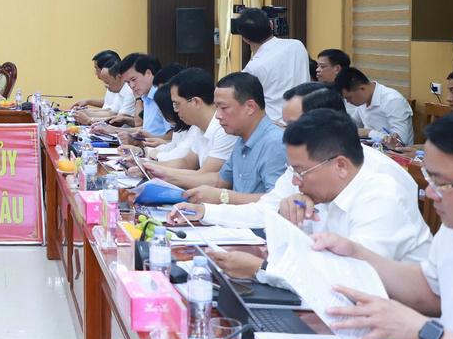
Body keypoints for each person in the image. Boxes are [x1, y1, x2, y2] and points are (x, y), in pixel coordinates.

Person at [201, 110, 431, 282]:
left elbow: (352, 279)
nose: (294, 181)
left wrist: (261, 268)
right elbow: (301, 254)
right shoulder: (323, 188)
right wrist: (289, 218)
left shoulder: (381, 197)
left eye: (301, 172)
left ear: (340, 165)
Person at [311, 111, 453, 339]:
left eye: (441, 182)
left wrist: (421, 330)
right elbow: (430, 290)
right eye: (429, 178)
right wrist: (356, 253)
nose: (431, 193)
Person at [172, 85, 418, 232]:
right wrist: (203, 212)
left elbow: (358, 273)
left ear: (326, 122)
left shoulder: (383, 182)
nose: (284, 133)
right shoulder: (302, 164)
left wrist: (261, 268)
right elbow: (266, 210)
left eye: (293, 125)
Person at [173, 72, 288, 203]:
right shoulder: (242, 137)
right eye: (216, 108)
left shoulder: (275, 142)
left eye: (223, 108)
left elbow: (277, 200)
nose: (217, 116)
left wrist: (223, 197)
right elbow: (221, 181)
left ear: (250, 107)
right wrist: (168, 176)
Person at [130, 69, 237, 185]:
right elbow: (187, 162)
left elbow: (204, 175)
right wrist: (145, 165)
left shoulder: (224, 129)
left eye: (176, 104)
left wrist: (158, 171)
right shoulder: (198, 127)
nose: (175, 110)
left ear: (195, 102)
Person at [236, 8, 310, 125]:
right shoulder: (297, 46)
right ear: (271, 25)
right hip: (304, 122)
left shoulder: (253, 68)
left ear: (245, 38)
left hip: (274, 126)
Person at [336, 67, 414, 146]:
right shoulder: (362, 100)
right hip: (372, 149)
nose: (348, 101)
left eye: (349, 97)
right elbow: (354, 125)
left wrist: (368, 133)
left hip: (395, 154)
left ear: (362, 88)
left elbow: (400, 141)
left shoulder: (393, 100)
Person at [75, 58, 137, 124]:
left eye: (108, 82)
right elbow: (111, 112)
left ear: (118, 77)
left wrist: (89, 120)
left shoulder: (130, 91)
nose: (106, 86)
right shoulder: (119, 89)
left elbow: (118, 120)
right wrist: (85, 112)